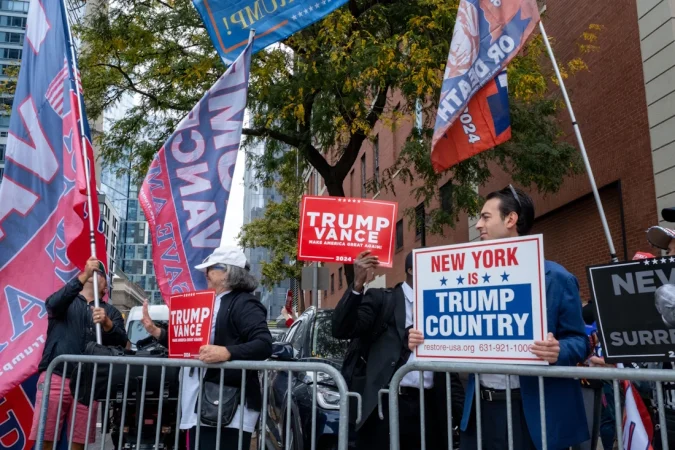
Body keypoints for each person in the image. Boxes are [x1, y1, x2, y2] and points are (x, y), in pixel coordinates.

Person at [409, 186, 590, 450]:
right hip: (482, 413)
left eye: (485, 217)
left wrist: (558, 350)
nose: (478, 224)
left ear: (510, 219)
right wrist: (423, 339)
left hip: (534, 415)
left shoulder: (557, 278)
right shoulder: (465, 281)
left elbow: (580, 341)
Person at [141, 246, 273, 450]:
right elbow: (189, 345)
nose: (206, 274)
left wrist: (227, 352)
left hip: (226, 407)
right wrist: (156, 332)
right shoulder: (209, 302)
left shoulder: (244, 303)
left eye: (210, 269)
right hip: (202, 404)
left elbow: (263, 344)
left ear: (226, 272)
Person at [332, 250, 465, 450]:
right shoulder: (382, 300)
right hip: (385, 407)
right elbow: (341, 328)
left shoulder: (443, 306)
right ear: (411, 269)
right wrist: (357, 285)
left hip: (429, 409)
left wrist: (464, 418)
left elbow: (448, 368)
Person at [29, 256, 128, 450]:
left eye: (101, 274)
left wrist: (108, 325)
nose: (95, 274)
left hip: (88, 383)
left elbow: (124, 344)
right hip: (57, 376)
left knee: (78, 440)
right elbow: (52, 304)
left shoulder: (111, 312)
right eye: (93, 270)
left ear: (105, 288)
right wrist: (83, 276)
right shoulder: (67, 302)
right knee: (45, 436)